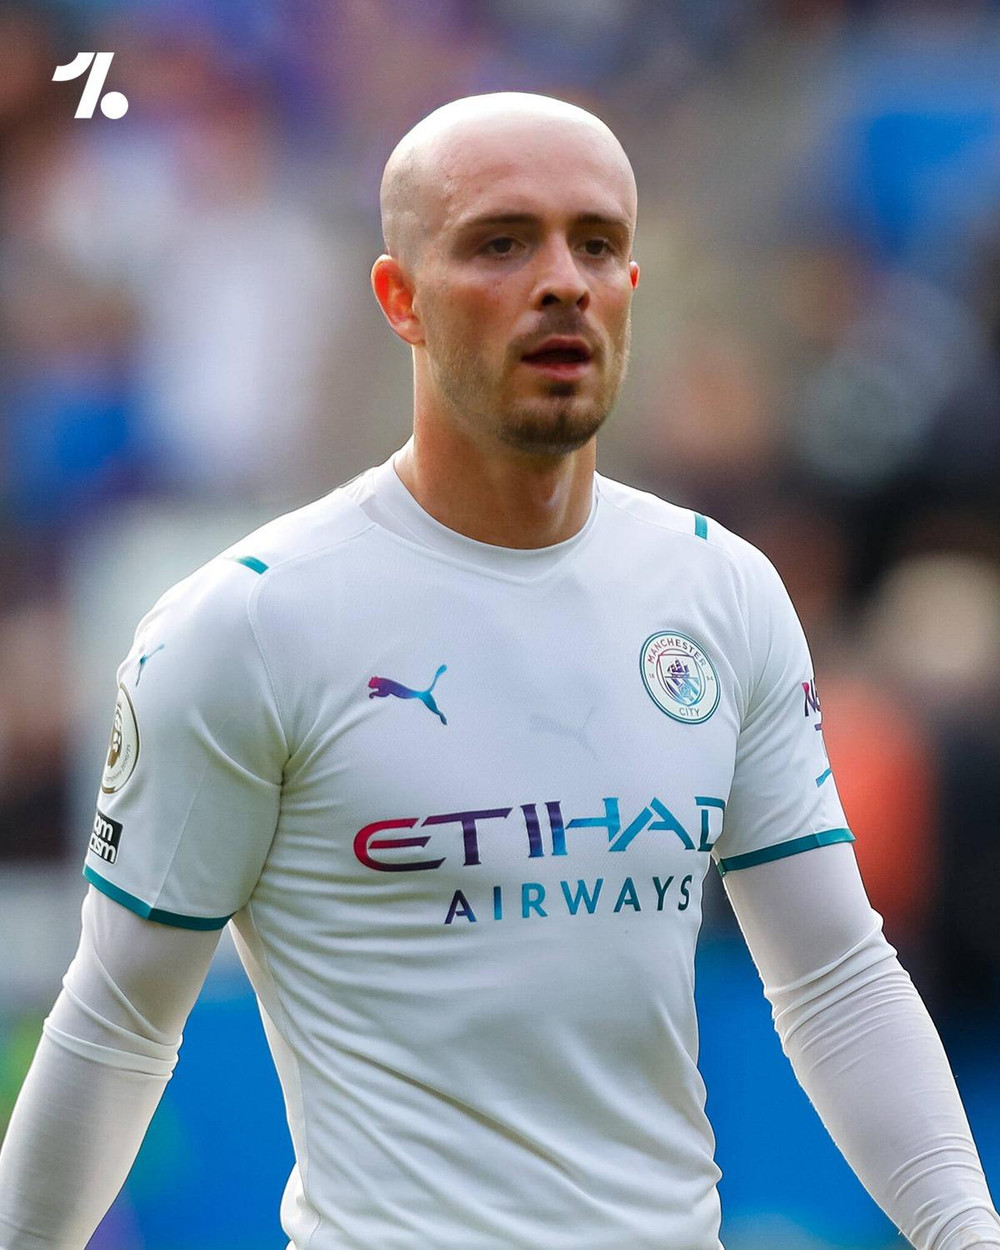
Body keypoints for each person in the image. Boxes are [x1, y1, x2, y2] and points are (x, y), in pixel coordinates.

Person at [0, 91, 997, 1250]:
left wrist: (964, 1231)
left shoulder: (720, 591)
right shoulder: (246, 624)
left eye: (597, 244)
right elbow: (117, 1022)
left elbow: (832, 974)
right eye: (501, 242)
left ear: (631, 286)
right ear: (400, 298)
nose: (562, 280)